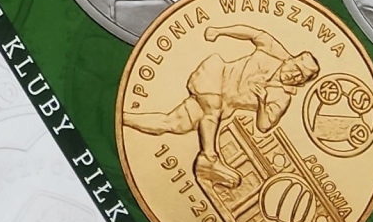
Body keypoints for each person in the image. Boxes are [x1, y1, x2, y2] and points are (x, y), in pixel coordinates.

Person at [120, 23, 320, 191]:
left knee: (172, 124)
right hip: (214, 74)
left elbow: (265, 125)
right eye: (295, 68)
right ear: (290, 59)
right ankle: (209, 158)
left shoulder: (282, 98)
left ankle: (121, 117)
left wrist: (262, 102)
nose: (294, 75)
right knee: (213, 109)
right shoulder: (274, 50)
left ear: (302, 83)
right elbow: (254, 33)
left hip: (221, 106)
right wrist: (219, 30)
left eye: (300, 77)